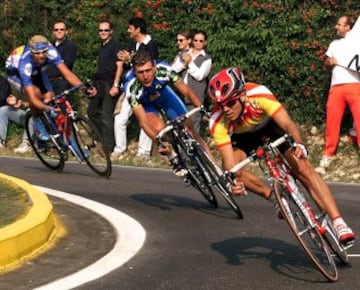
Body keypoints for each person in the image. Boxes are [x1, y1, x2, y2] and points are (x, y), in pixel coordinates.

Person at [207, 67, 355, 245]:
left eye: (230, 103)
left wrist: (299, 144)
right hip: (243, 137)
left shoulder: (259, 94)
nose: (226, 109)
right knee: (229, 170)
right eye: (221, 105)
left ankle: (338, 222)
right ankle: (273, 196)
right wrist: (234, 182)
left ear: (242, 95)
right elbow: (230, 164)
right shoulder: (217, 120)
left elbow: (287, 123)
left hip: (270, 126)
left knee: (302, 167)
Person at [124, 50, 208, 175]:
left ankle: (213, 165)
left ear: (154, 67)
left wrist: (201, 107)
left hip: (164, 95)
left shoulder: (163, 69)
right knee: (159, 129)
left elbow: (186, 91)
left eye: (148, 70)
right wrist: (159, 143)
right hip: (147, 105)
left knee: (189, 126)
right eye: (140, 72)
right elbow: (143, 122)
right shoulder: (132, 88)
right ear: (135, 73)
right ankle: (173, 157)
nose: (145, 76)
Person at [5, 35, 96, 142]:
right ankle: (37, 121)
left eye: (44, 52)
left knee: (50, 96)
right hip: (15, 74)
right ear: (31, 52)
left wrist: (84, 88)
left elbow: (67, 74)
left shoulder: (52, 52)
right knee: (36, 93)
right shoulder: (24, 64)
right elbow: (32, 97)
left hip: (36, 69)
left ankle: (64, 139)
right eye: (37, 53)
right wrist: (47, 108)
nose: (41, 56)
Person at [112, 17, 159, 160]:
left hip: (145, 87)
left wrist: (130, 58)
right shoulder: (132, 44)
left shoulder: (151, 44)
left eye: (130, 28)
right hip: (131, 86)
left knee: (145, 118)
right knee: (120, 118)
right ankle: (120, 149)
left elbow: (148, 63)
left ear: (138, 29)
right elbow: (128, 63)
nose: (128, 31)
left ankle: (143, 152)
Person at [319, 15, 360, 168]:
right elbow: (327, 61)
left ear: (348, 27)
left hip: (355, 85)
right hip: (336, 87)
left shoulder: (357, 41)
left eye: (339, 24)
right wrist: (330, 61)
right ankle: (328, 153)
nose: (336, 27)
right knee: (332, 121)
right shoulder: (334, 44)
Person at [87, 20, 122, 153]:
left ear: (111, 31)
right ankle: (104, 138)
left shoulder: (115, 46)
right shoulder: (102, 46)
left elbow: (119, 66)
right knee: (91, 112)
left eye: (106, 30)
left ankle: (108, 147)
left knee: (107, 116)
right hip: (100, 83)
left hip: (110, 83)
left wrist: (116, 85)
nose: (103, 33)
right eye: (101, 30)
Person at [171, 30, 212, 135]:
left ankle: (195, 150)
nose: (198, 43)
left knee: (193, 127)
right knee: (180, 126)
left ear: (205, 42)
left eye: (201, 41)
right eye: (196, 40)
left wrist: (189, 63)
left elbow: (200, 75)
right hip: (180, 95)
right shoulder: (183, 53)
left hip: (195, 97)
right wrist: (184, 63)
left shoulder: (206, 59)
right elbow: (173, 69)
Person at [0, 76, 32, 153]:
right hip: (22, 115)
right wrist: (14, 102)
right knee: (4, 109)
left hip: (37, 116)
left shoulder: (37, 82)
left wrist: (24, 104)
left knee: (32, 112)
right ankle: (1, 140)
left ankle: (27, 142)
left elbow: (42, 103)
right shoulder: (12, 81)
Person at [45, 21, 77, 95]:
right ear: (53, 32)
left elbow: (67, 65)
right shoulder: (48, 46)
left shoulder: (70, 46)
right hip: (47, 82)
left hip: (61, 82)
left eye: (61, 29)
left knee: (61, 106)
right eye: (56, 30)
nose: (59, 31)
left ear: (66, 31)